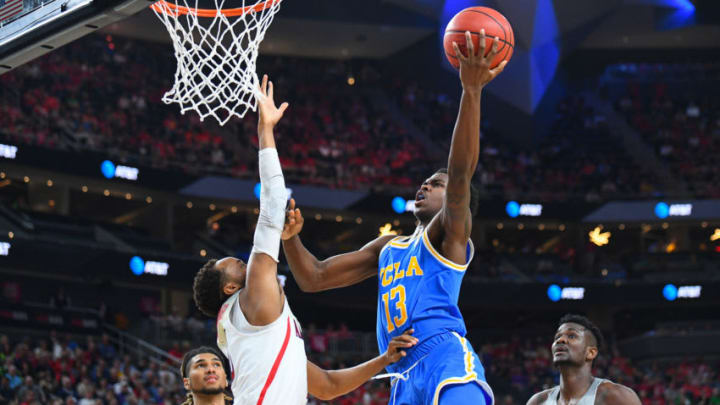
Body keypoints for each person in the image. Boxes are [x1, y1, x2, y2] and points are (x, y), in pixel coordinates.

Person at [281, 31, 507, 404]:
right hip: (400, 373)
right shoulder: (389, 247)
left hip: (444, 359)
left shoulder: (450, 237)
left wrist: (472, 91)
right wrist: (290, 238)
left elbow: (462, 173)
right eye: (425, 182)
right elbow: (313, 278)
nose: (424, 186)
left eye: (435, 184)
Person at [191, 75, 418, 405]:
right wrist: (265, 131)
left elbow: (325, 385)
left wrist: (384, 360)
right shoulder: (251, 299)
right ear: (230, 288)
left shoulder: (256, 329)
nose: (247, 262)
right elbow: (271, 211)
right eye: (239, 265)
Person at [526, 314, 641, 405]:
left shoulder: (617, 397)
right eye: (557, 336)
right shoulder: (538, 402)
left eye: (571, 336)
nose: (560, 340)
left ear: (590, 353)